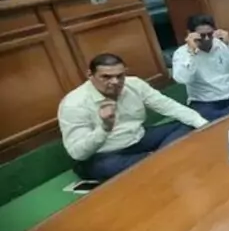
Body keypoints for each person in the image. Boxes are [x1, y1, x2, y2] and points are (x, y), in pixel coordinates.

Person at [58, 53, 208, 181]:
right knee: (106, 166)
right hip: (104, 154)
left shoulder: (134, 84)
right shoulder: (74, 104)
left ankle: (154, 160)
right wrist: (104, 128)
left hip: (138, 138)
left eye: (120, 76)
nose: (115, 82)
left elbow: (168, 106)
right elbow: (78, 153)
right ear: (90, 75)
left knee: (188, 123)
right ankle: (164, 158)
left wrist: (204, 125)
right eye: (106, 77)